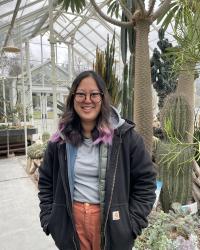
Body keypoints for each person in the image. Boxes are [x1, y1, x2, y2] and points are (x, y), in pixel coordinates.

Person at [38, 70, 156, 250]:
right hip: (71, 222)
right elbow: (46, 181)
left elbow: (146, 183)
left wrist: (131, 224)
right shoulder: (60, 141)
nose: (87, 100)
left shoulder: (125, 138)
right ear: (72, 98)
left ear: (102, 98)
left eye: (94, 94)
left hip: (113, 223)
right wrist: (49, 219)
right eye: (80, 94)